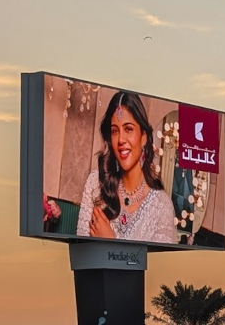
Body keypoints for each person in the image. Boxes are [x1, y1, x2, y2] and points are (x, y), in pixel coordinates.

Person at [75, 90, 177, 244]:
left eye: (128, 129)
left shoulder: (162, 207)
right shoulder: (95, 184)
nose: (121, 139)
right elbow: (81, 254)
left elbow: (158, 267)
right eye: (115, 131)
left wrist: (110, 241)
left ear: (143, 137)